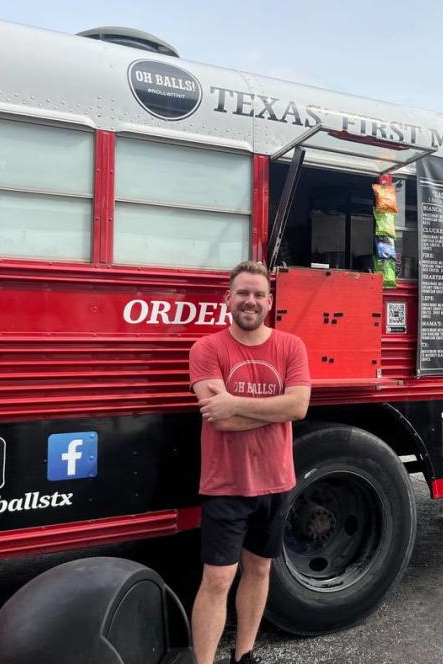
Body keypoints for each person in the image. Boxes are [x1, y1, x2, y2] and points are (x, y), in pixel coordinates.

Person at [188, 260, 311, 664]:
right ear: (228, 298)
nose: (250, 301)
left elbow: (298, 407)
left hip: (276, 481)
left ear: (270, 301)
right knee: (218, 578)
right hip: (225, 483)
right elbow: (218, 419)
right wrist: (269, 408)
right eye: (242, 293)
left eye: (259, 294)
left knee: (260, 570)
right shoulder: (207, 348)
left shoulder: (291, 346)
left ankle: (245, 656)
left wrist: (235, 403)